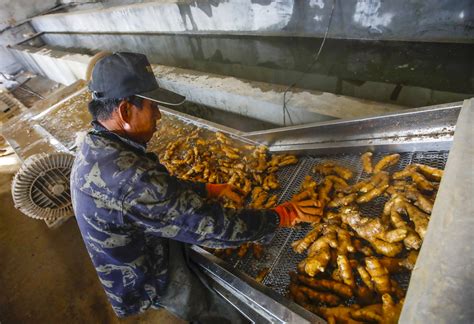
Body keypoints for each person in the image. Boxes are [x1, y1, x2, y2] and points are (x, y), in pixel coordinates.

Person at [70, 52, 320, 322]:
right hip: (150, 274)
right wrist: (284, 215)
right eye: (152, 106)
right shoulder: (129, 175)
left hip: (142, 242)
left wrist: (206, 190)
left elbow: (156, 189)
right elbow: (215, 228)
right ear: (125, 111)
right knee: (215, 312)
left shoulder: (98, 143)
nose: (159, 116)